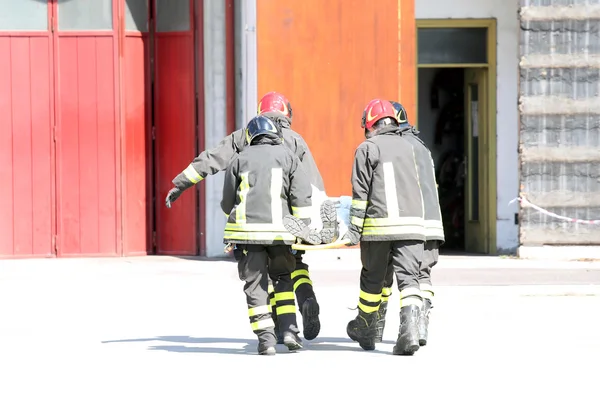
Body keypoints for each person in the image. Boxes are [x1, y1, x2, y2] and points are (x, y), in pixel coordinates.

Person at [164, 92, 332, 341]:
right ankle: (305, 298)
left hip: (253, 225)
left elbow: (212, 158)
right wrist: (314, 224)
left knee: (265, 273)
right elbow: (312, 185)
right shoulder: (296, 140)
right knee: (292, 264)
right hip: (289, 223)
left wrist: (180, 183)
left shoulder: (245, 137)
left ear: (259, 113)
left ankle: (275, 327)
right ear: (287, 114)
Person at [221, 115, 313, 355]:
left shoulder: (238, 159)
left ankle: (266, 340)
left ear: (251, 137)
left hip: (248, 237)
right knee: (283, 278)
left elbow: (226, 202)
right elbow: (301, 196)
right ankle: (290, 331)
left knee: (256, 286)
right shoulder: (289, 157)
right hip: (281, 235)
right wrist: (301, 229)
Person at [343, 99, 426, 355]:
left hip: (378, 228)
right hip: (412, 227)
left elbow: (360, 196)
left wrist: (354, 231)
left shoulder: (367, 148)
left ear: (369, 124)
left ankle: (366, 328)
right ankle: (410, 331)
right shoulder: (412, 147)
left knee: (373, 278)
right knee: (409, 279)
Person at [371, 101, 444, 347]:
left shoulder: (397, 148)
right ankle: (420, 326)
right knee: (422, 274)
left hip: (406, 222)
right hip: (431, 223)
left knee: (385, 275)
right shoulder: (421, 147)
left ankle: (376, 327)